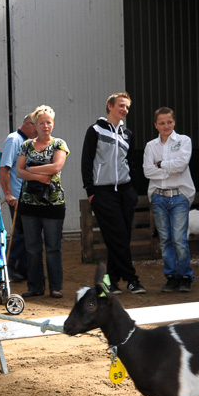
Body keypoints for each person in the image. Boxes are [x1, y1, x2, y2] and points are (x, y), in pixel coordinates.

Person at [82, 92, 145, 294]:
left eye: (127, 107)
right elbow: (86, 161)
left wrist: (133, 190)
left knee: (120, 240)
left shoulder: (128, 134)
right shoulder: (95, 131)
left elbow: (131, 162)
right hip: (103, 193)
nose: (124, 110)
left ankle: (109, 283)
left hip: (125, 192)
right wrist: (91, 191)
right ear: (109, 106)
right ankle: (132, 279)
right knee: (117, 237)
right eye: (121, 105)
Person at [17, 105, 70, 298]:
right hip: (29, 204)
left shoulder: (59, 144)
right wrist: (38, 176)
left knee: (53, 247)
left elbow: (56, 167)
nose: (45, 126)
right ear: (35, 125)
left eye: (48, 122)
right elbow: (18, 171)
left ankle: (56, 287)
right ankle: (35, 287)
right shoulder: (26, 146)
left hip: (53, 204)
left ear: (52, 123)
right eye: (41, 123)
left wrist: (31, 169)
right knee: (32, 247)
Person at [143, 107, 195, 293]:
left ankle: (186, 276)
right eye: (162, 123)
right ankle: (172, 276)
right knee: (165, 239)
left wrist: (161, 165)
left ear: (174, 122)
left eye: (169, 122)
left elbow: (182, 165)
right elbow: (147, 171)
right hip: (158, 196)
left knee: (180, 239)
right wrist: (168, 168)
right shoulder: (151, 146)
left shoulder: (184, 141)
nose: (166, 126)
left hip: (179, 195)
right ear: (156, 125)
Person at [0, 114, 37, 281]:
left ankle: (23, 268)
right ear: (29, 124)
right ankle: (10, 267)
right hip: (17, 196)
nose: (39, 130)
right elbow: (4, 167)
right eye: (37, 126)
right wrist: (8, 193)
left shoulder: (30, 142)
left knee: (27, 234)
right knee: (19, 234)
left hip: (28, 196)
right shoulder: (14, 139)